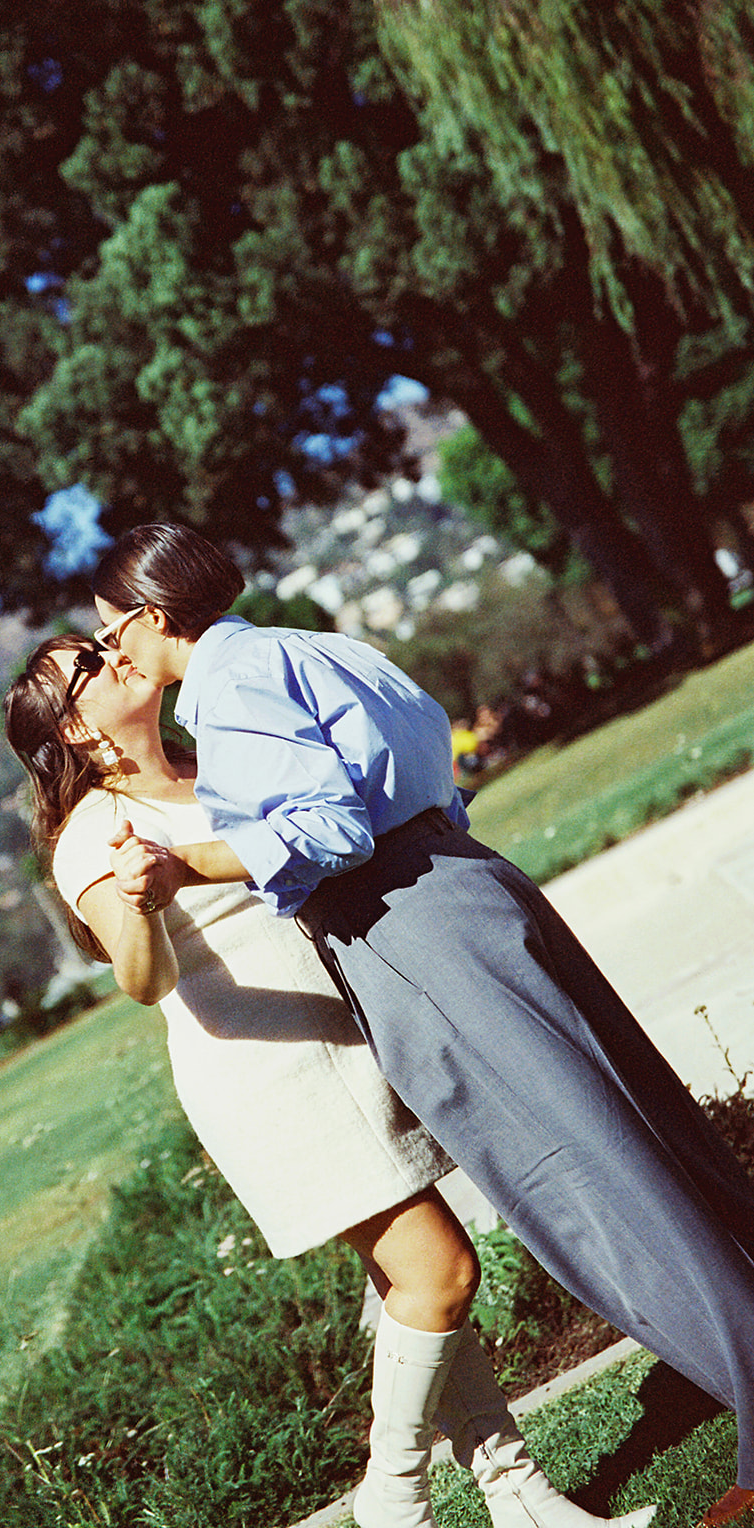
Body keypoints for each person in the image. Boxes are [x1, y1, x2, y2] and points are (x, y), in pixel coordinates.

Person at [89, 521, 754, 1528]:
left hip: (402, 922)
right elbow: (431, 750)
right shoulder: (307, 644)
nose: (114, 656)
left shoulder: (225, 689)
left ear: (150, 616)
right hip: (468, 880)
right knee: (638, 1123)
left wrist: (190, 865)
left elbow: (330, 830)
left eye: (110, 635)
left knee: (584, 1170)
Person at [3, 634, 655, 1528]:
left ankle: (522, 1499)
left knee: (408, 1285)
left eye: (106, 642)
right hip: (271, 1074)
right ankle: (389, 1499)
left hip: (351, 1038)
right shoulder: (95, 833)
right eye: (87, 663)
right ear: (73, 725)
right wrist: (146, 902)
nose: (113, 652)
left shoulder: (207, 767)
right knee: (443, 1269)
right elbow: (143, 981)